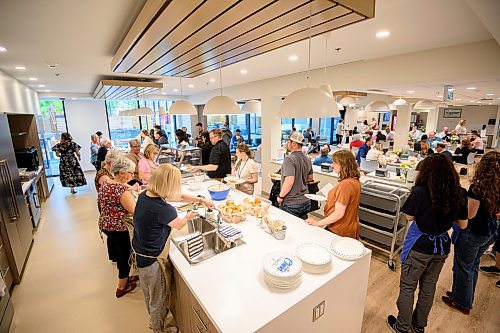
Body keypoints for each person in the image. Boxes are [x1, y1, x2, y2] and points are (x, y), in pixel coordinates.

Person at [387, 154, 468, 333]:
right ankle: (419, 326)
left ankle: (402, 327)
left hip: (419, 245)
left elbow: (409, 217)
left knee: (408, 287)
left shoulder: (420, 192)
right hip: (442, 246)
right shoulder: (459, 193)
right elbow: (463, 224)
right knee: (428, 287)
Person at [132, 164, 214, 333]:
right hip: (153, 260)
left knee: (149, 294)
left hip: (140, 252)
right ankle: (158, 329)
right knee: (159, 299)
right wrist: (189, 215)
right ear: (168, 185)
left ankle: (153, 321)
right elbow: (178, 224)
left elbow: (179, 197)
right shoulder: (164, 209)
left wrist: (200, 199)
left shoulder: (145, 195)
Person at [443, 151, 500, 315]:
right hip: (489, 233)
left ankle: (461, 302)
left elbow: (469, 215)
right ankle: (463, 295)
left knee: (464, 267)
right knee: (472, 266)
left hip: (474, 234)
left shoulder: (479, 188)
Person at [97, 156, 138, 298]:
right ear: (121, 173)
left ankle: (124, 278)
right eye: (131, 173)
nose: (132, 176)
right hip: (119, 227)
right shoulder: (122, 191)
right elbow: (135, 211)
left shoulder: (107, 184)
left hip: (106, 225)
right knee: (124, 255)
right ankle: (122, 286)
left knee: (121, 253)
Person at [306, 150, 361, 238]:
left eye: (334, 163)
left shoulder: (345, 184)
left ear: (343, 165)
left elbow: (339, 214)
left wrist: (318, 223)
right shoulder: (355, 180)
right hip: (348, 226)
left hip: (339, 229)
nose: (332, 165)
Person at [277, 132, 313, 219]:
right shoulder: (307, 159)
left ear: (293, 144)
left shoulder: (289, 159)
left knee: (289, 230)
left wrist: (280, 196)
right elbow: (310, 178)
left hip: (291, 203)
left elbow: (289, 181)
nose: (286, 144)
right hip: (305, 201)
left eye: (288, 142)